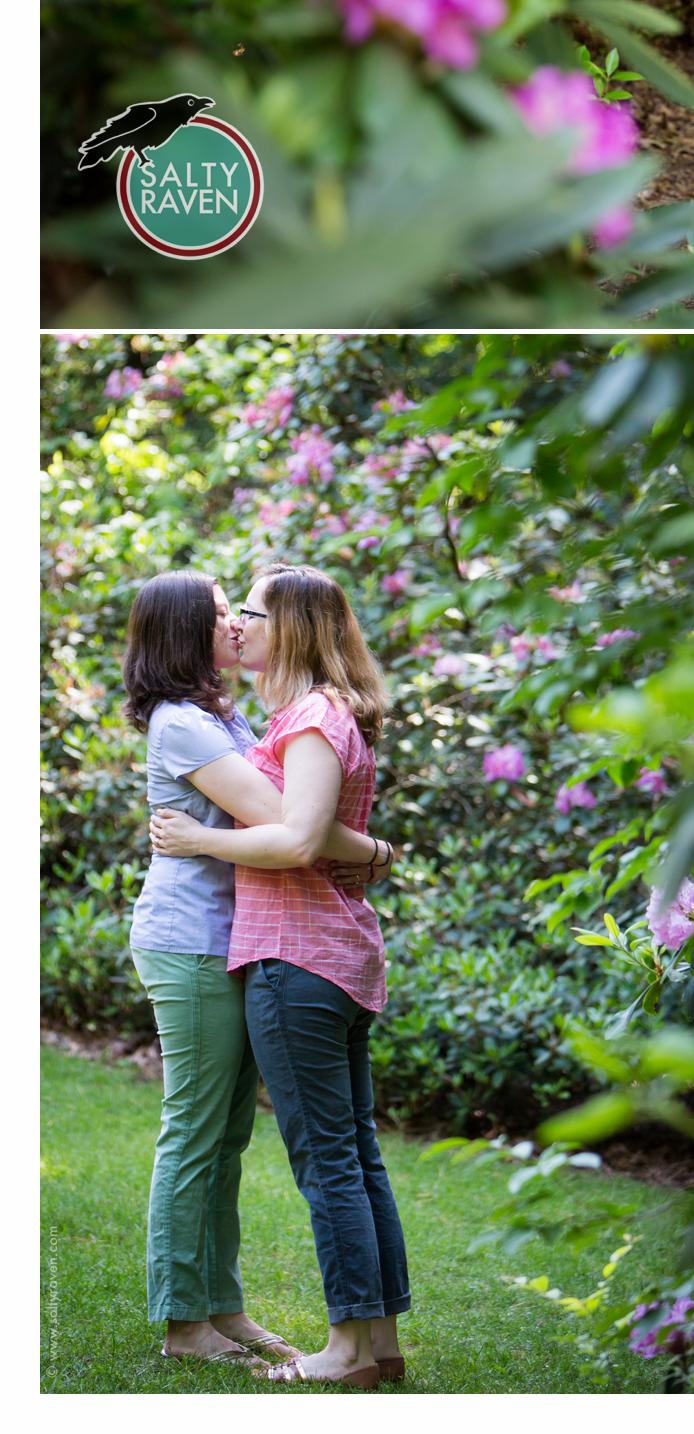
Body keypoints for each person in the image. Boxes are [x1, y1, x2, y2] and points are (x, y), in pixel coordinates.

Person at [150, 565, 407, 1389]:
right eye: (226, 613)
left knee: (324, 1155)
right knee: (328, 1149)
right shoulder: (240, 720)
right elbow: (300, 826)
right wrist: (368, 848)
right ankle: (355, 1338)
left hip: (290, 951)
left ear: (287, 628)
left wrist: (200, 842)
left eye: (247, 611)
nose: (235, 625)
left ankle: (338, 1345)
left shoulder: (295, 718)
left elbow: (296, 833)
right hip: (265, 945)